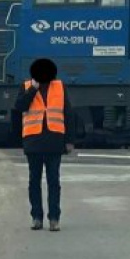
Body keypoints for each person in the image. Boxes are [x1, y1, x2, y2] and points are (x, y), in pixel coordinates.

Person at [14, 58, 79, 232]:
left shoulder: (59, 87)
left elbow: (68, 114)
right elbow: (19, 106)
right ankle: (36, 217)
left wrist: (70, 140)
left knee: (53, 181)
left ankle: (54, 218)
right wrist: (33, 89)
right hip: (33, 142)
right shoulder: (26, 86)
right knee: (34, 181)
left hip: (54, 141)